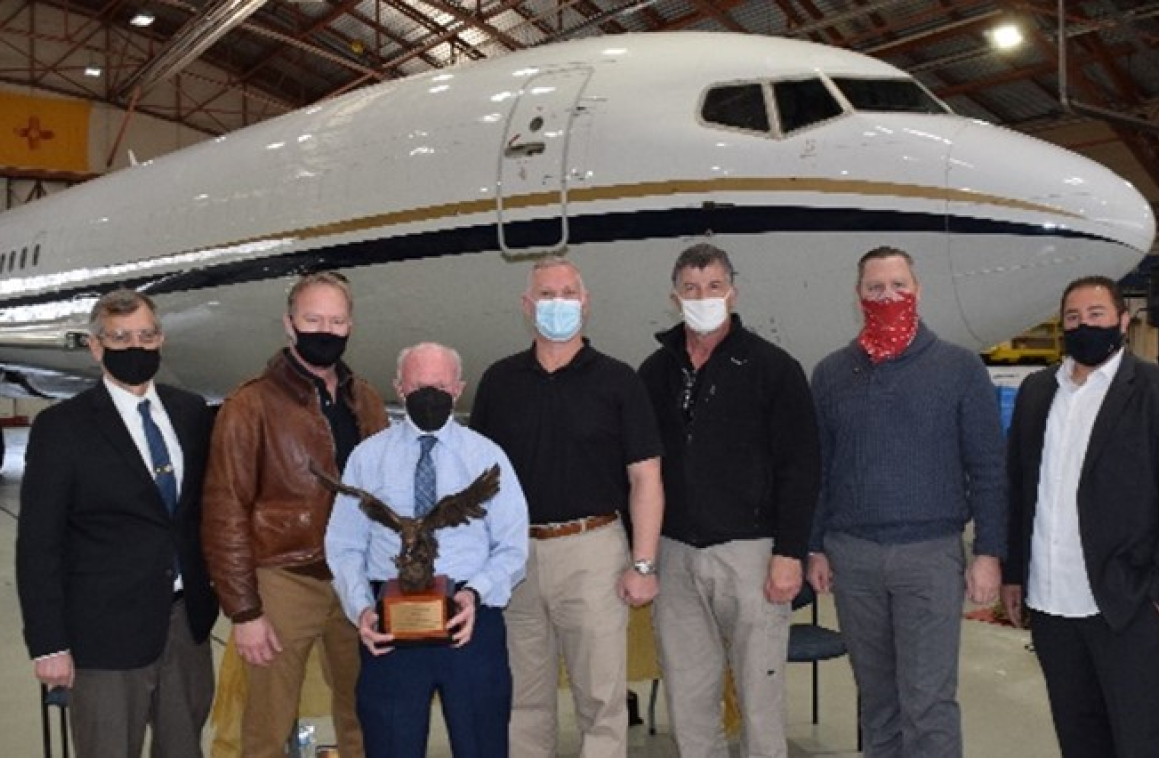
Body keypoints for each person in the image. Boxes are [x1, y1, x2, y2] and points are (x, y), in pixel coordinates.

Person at [1001, 276, 1159, 758]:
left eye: (1096, 315)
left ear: (1123, 320)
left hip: (1128, 606)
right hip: (1052, 606)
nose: (1084, 325)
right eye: (1073, 318)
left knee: (1141, 740)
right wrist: (1015, 574)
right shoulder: (1039, 393)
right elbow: (1019, 490)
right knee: (1079, 739)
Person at [805, 246, 1005, 758]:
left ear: (918, 291)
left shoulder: (959, 369)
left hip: (929, 556)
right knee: (877, 701)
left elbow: (988, 467)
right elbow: (818, 469)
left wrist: (988, 551)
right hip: (854, 556)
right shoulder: (830, 374)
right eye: (876, 289)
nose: (887, 297)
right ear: (858, 296)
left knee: (929, 703)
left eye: (898, 286)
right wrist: (816, 546)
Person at [469, 256, 664, 757]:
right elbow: (478, 486)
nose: (559, 304)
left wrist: (643, 564)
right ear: (527, 306)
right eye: (547, 295)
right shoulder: (499, 382)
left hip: (593, 550)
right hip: (516, 559)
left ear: (586, 303)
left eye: (568, 293)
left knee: (600, 700)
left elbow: (646, 478)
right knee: (522, 702)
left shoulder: (619, 381)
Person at [17, 288, 218, 757]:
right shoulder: (61, 427)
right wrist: (48, 644)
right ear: (95, 345)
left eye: (146, 335)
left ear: (161, 338)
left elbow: (201, 513)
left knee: (184, 748)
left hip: (185, 626)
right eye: (120, 337)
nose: (136, 347)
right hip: (103, 636)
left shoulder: (190, 413)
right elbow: (38, 544)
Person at [637, 243, 819, 758]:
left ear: (732, 292)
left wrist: (791, 551)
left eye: (714, 287)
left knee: (760, 701)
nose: (703, 297)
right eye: (691, 289)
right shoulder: (654, 373)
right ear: (675, 298)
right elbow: (637, 468)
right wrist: (642, 555)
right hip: (675, 554)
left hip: (752, 554)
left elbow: (801, 466)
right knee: (688, 695)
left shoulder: (773, 368)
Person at [201, 271, 388, 758]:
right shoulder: (250, 404)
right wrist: (245, 612)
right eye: (312, 319)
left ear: (350, 327)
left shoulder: (365, 400)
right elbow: (225, 511)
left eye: (336, 320)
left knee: (365, 712)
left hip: (354, 580)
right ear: (289, 325)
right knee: (267, 722)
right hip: (283, 579)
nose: (324, 330)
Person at [325, 342, 529, 757]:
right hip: (389, 629)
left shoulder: (487, 457)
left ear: (459, 388)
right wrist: (362, 607)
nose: (429, 394)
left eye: (439, 385)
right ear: (399, 388)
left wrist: (477, 593)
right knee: (391, 745)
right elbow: (344, 545)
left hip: (470, 622)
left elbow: (511, 545)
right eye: (418, 385)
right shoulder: (368, 457)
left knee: (483, 744)